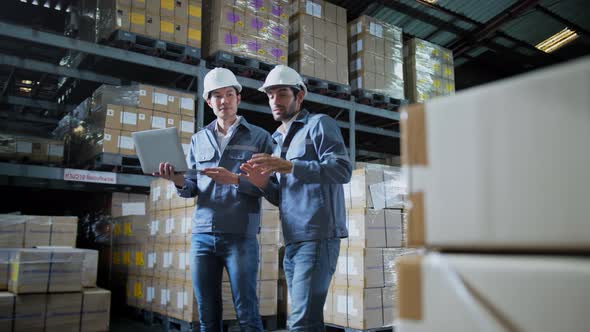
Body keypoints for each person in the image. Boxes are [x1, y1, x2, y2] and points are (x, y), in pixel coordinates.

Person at [156, 67, 272, 331]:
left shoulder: (259, 137)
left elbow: (269, 187)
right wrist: (176, 180)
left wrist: (234, 179)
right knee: (207, 312)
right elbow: (192, 187)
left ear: (238, 98)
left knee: (247, 311)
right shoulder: (199, 139)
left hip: (241, 234)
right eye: (217, 96)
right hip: (203, 235)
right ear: (209, 102)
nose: (224, 101)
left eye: (229, 94)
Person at [240, 65, 352, 331]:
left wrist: (291, 167)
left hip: (318, 236)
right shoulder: (277, 140)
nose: (275, 102)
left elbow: (342, 170)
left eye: (282, 94)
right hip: (292, 239)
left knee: (299, 321)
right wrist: (263, 183)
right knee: (310, 319)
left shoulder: (319, 124)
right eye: (270, 96)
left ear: (299, 96)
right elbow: (282, 197)